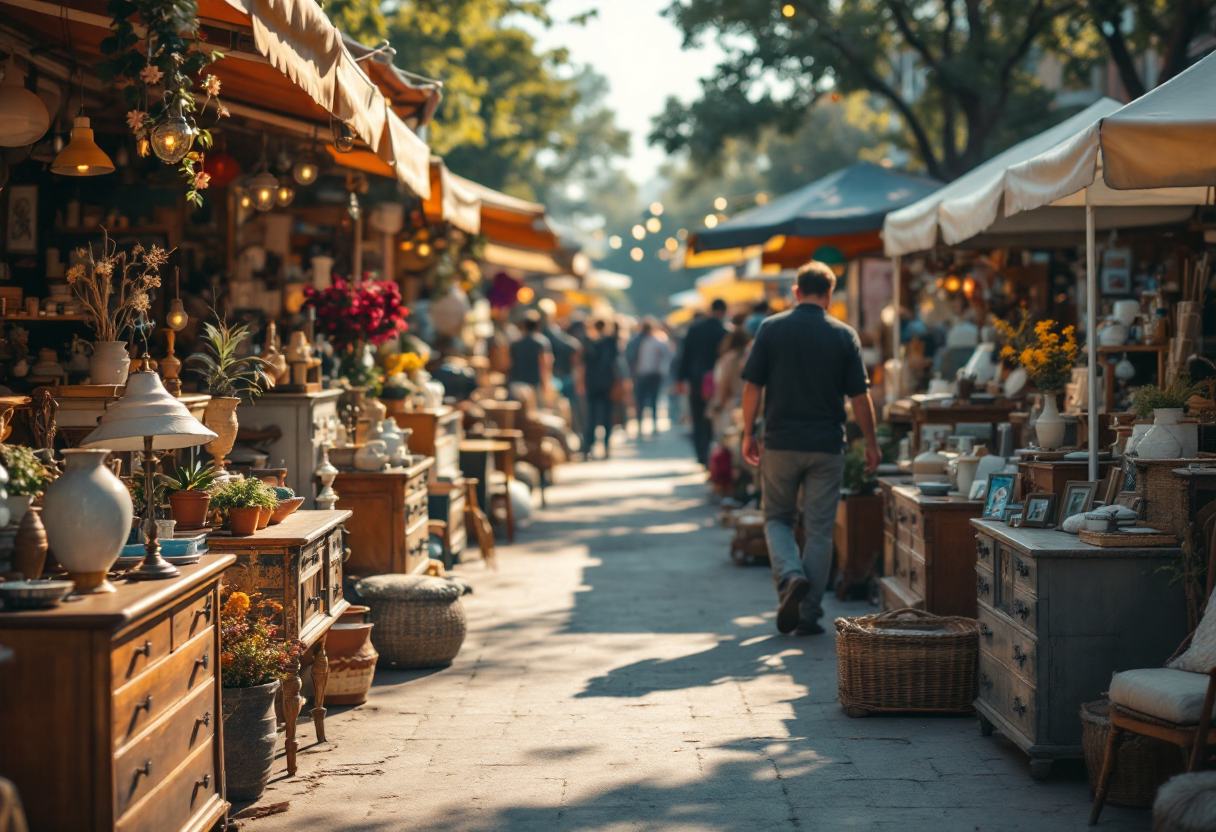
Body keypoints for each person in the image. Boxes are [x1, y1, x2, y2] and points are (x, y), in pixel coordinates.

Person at [741, 261, 880, 635]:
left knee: (777, 519)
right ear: (830, 295)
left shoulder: (771, 329)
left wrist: (747, 432)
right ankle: (808, 614)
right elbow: (860, 396)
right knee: (819, 531)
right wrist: (871, 442)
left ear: (796, 292)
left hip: (781, 442)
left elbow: (752, 386)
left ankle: (789, 577)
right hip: (826, 444)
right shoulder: (844, 335)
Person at [677, 298, 729, 467]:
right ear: (723, 311)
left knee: (698, 418)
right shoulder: (723, 331)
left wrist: (680, 378)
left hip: (696, 380)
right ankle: (707, 454)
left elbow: (685, 355)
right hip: (715, 382)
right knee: (710, 419)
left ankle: (700, 454)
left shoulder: (694, 329)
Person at [582, 319, 621, 459]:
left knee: (592, 416)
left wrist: (581, 383)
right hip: (608, 383)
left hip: (592, 383)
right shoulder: (611, 343)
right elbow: (617, 363)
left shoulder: (588, 343)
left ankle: (588, 447)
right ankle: (606, 446)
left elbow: (584, 366)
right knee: (607, 416)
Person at [709, 325, 751, 440]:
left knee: (731, 443)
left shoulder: (728, 359)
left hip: (733, 405)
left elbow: (724, 383)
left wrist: (719, 405)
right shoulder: (751, 356)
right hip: (750, 403)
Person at [632, 318, 672, 437]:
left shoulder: (655, 341)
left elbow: (666, 356)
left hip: (649, 374)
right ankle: (643, 425)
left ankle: (648, 426)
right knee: (645, 401)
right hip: (645, 374)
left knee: (648, 401)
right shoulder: (639, 342)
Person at [508, 311, 552, 397]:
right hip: (534, 385)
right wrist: (546, 384)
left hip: (516, 384)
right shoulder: (542, 342)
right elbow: (544, 364)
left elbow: (509, 364)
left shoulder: (515, 343)